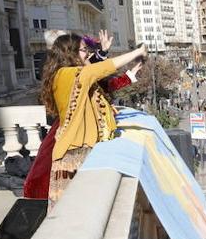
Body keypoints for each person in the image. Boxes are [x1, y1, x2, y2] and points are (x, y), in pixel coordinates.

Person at [39, 34, 147, 203]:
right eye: (84, 50)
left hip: (82, 149)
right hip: (74, 152)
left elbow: (101, 86)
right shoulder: (69, 74)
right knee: (75, 208)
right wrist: (137, 52)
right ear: (70, 52)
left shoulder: (73, 74)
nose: (87, 54)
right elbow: (104, 68)